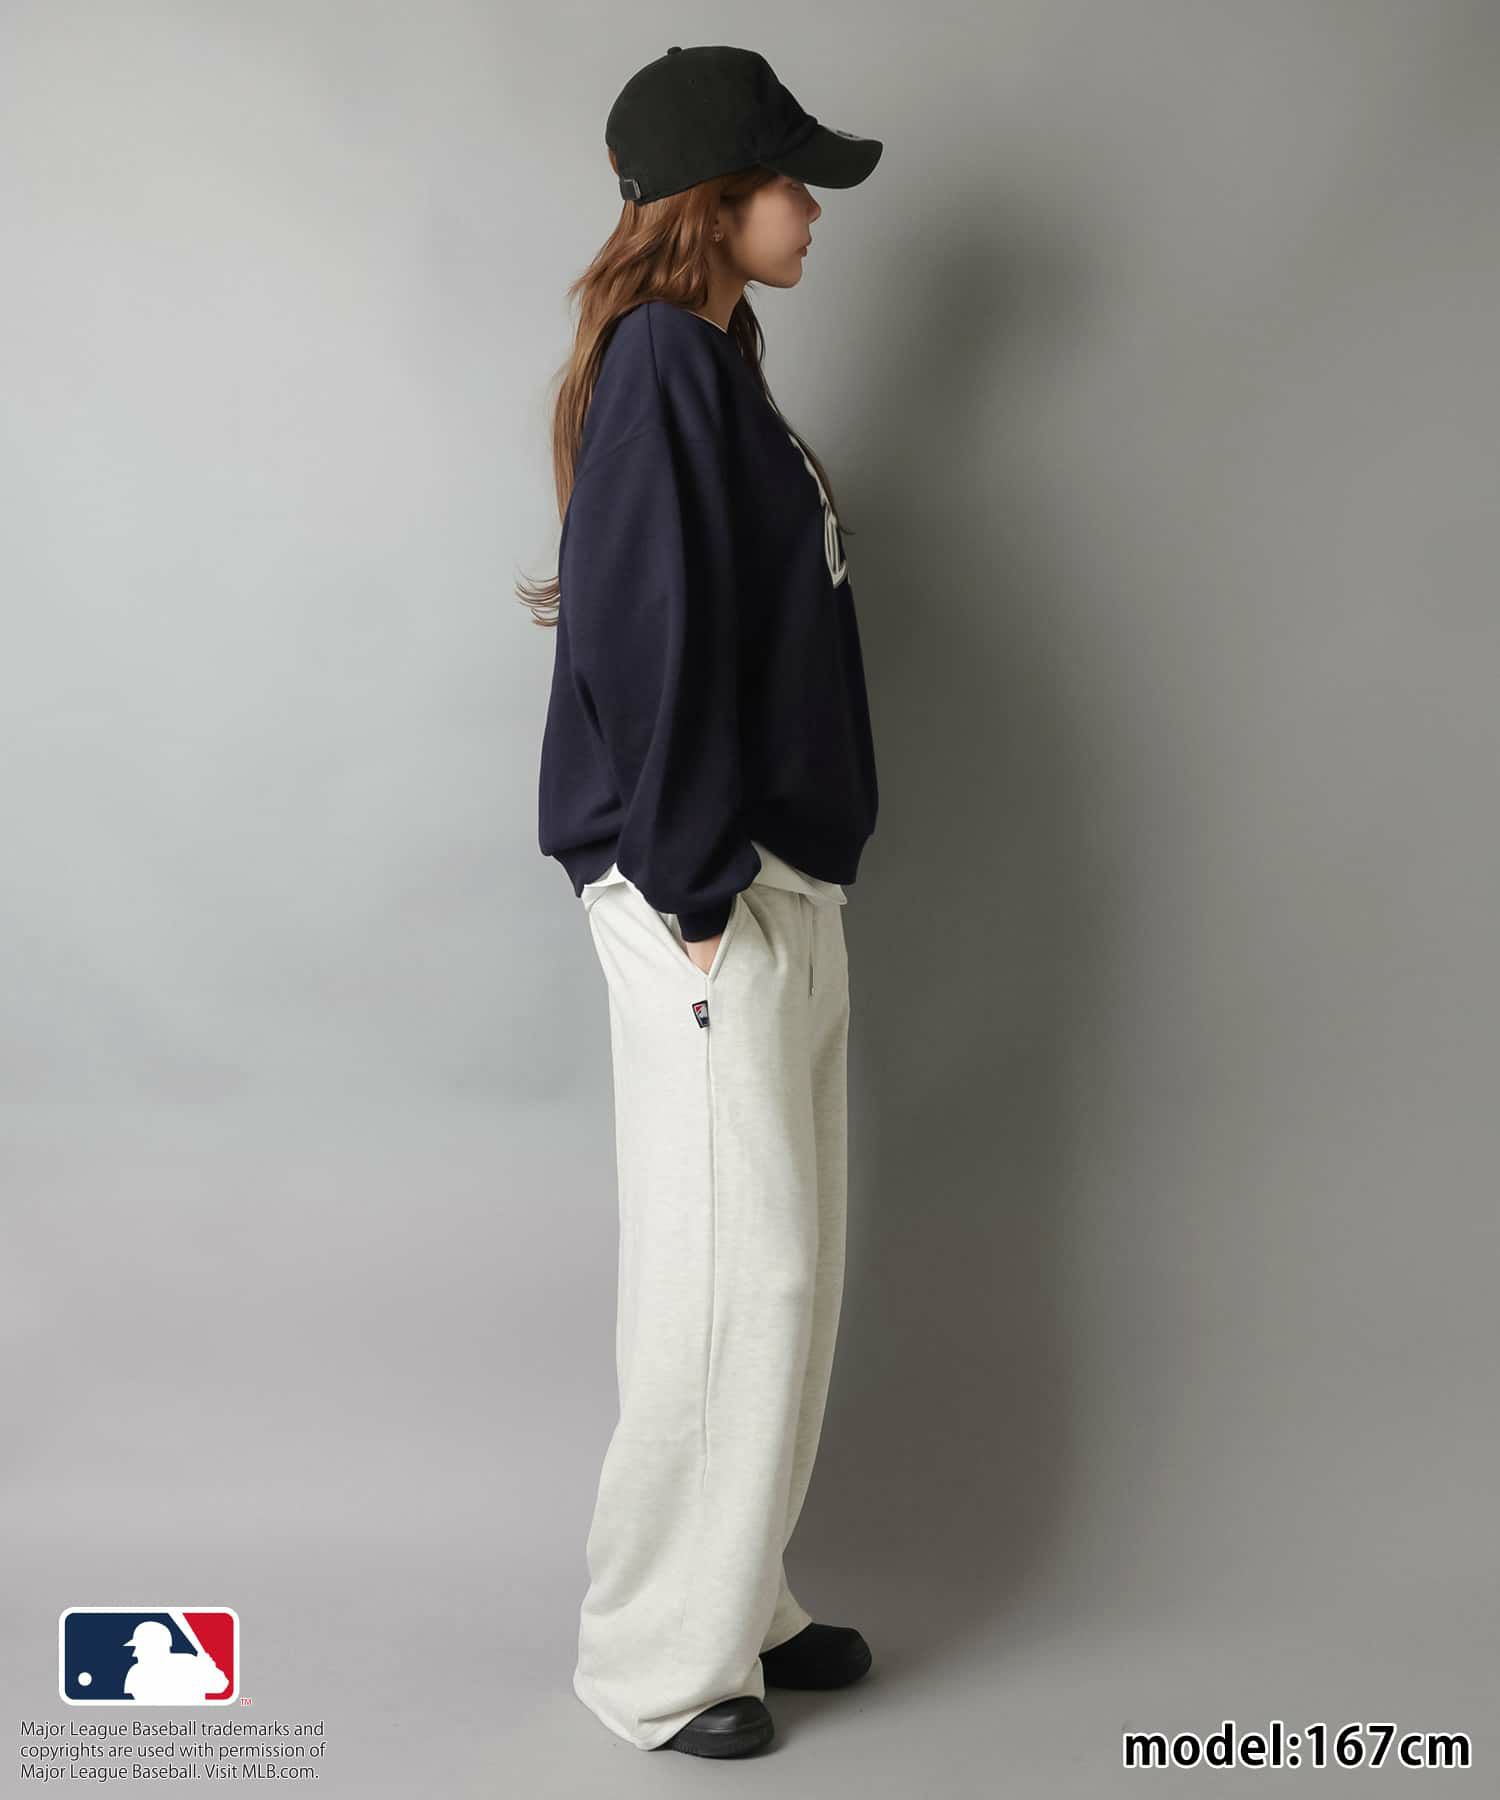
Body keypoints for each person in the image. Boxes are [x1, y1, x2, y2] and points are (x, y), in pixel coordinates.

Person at [520, 43, 883, 1759]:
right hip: (704, 885)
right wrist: (690, 887)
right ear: (712, 202)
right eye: (788, 180)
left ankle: (740, 1596)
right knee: (736, 1272)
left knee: (784, 1266)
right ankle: (660, 1659)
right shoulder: (666, 359)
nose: (811, 209)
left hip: (773, 873)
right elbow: (644, 634)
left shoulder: (718, 366)